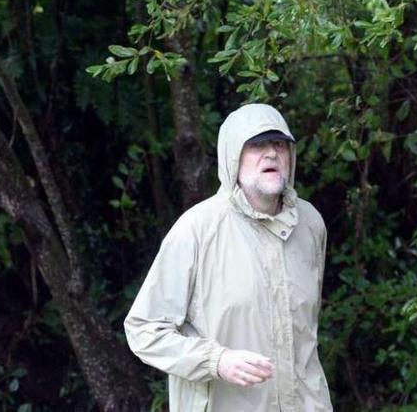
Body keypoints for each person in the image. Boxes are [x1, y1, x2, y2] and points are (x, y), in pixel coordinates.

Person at [125, 104, 332, 411]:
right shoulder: (196, 230)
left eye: (279, 144)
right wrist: (216, 361)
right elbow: (144, 329)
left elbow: (306, 334)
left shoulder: (310, 224)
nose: (272, 154)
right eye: (258, 145)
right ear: (232, 156)